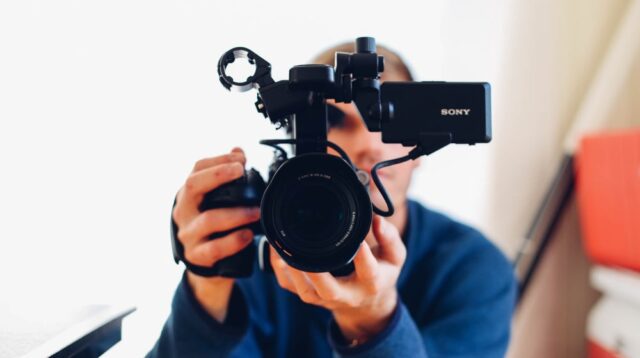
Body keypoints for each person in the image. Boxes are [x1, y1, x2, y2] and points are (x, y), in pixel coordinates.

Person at [149, 43, 516, 358]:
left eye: (384, 121)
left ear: (419, 149)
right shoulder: (252, 247)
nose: (367, 144)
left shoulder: (473, 268)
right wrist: (207, 283)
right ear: (299, 139)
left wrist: (373, 321)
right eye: (339, 122)